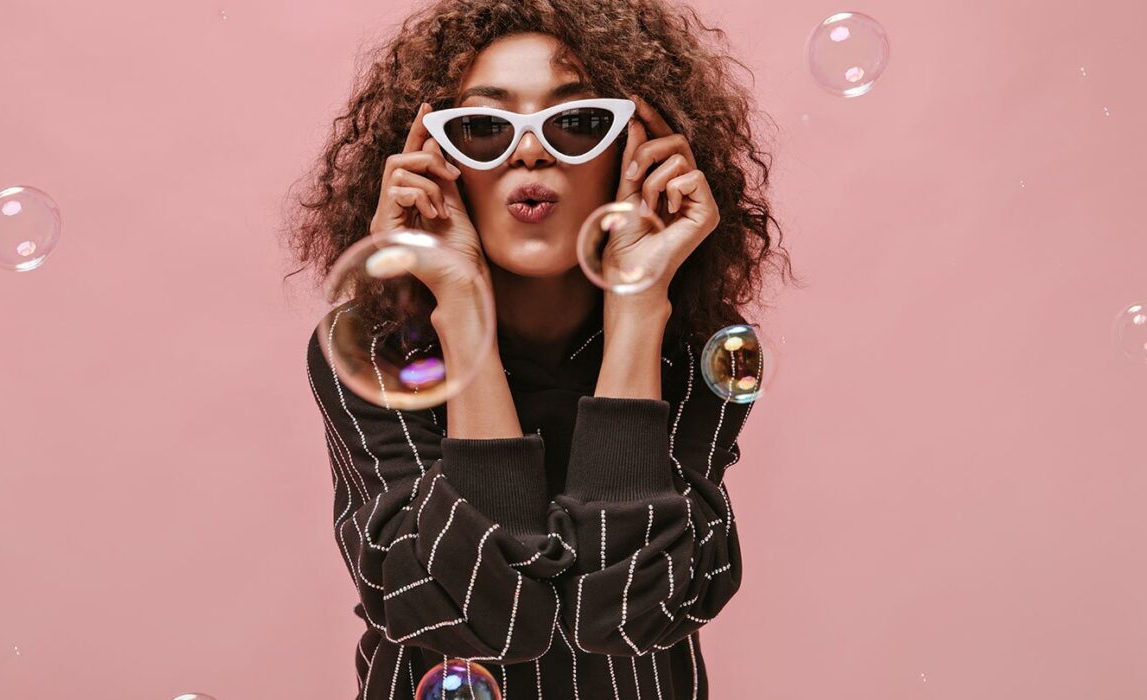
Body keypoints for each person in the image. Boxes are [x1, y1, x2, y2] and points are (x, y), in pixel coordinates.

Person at [282, 1, 797, 697]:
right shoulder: (374, 349)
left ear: (637, 154)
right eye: (483, 128)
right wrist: (460, 300)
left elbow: (628, 612)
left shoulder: (697, 349)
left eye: (578, 122)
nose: (530, 152)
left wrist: (638, 306)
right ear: (436, 163)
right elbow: (483, 620)